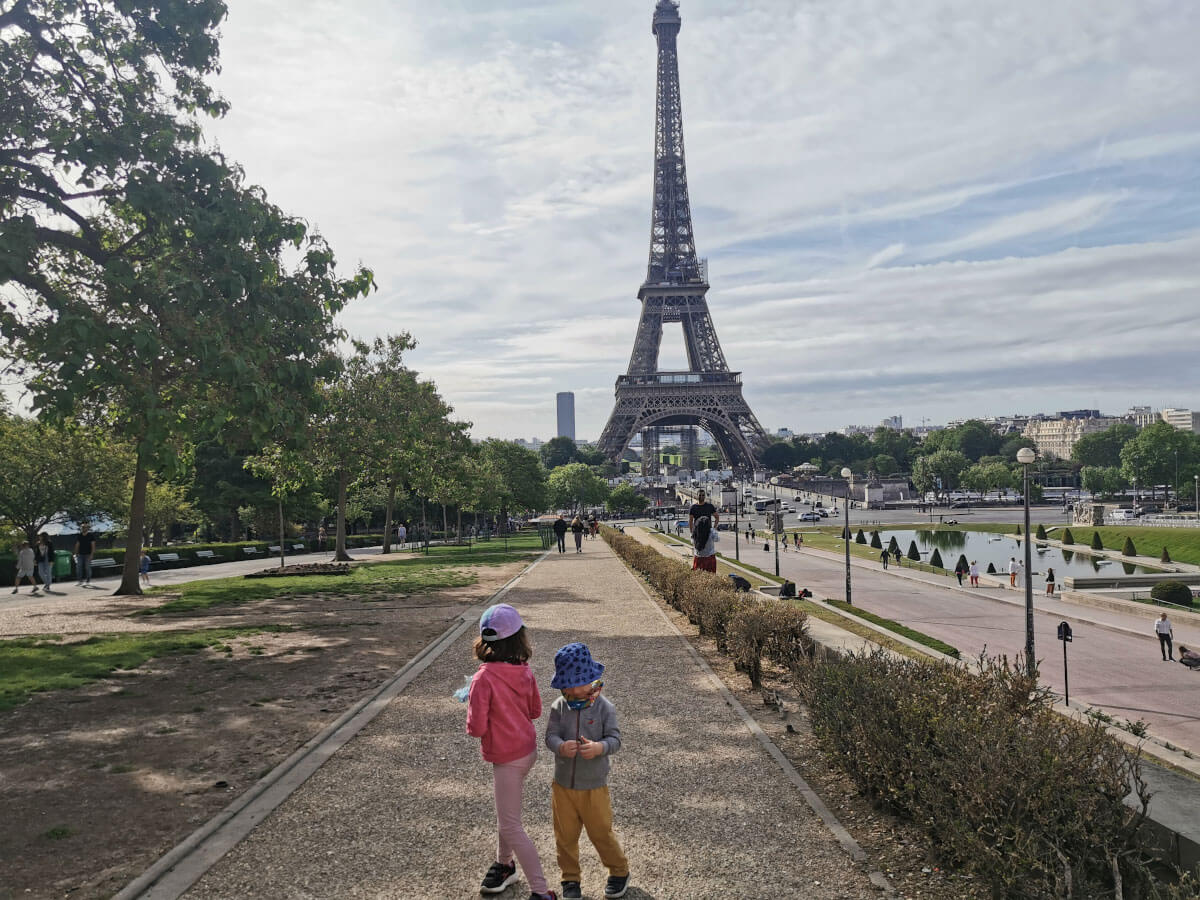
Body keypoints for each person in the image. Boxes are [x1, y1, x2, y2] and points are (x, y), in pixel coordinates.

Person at [466, 604, 556, 900]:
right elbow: (535, 710)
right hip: (526, 752)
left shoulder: (483, 678)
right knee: (507, 814)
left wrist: (473, 703)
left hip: (506, 759)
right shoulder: (524, 671)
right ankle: (504, 865)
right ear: (519, 638)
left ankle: (541, 891)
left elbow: (476, 728)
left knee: (511, 824)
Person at [545, 643, 630, 900]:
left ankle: (618, 871)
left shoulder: (605, 707)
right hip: (563, 786)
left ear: (591, 679)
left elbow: (615, 740)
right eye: (567, 685)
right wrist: (560, 746)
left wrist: (599, 748)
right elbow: (550, 736)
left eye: (576, 684)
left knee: (601, 832)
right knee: (565, 836)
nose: (571, 689)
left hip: (594, 786)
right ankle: (570, 879)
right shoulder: (559, 706)